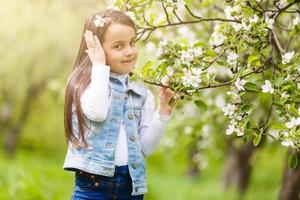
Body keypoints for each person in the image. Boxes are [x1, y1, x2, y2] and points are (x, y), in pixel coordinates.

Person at [63, 8, 176, 200]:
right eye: (118, 46)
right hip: (93, 187)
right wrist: (99, 65)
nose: (130, 51)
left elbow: (146, 148)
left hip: (130, 187)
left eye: (132, 43)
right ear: (96, 48)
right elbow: (98, 113)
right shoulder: (84, 85)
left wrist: (163, 113)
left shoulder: (141, 93)